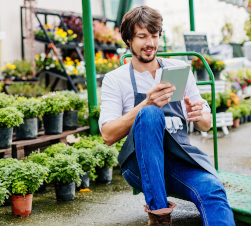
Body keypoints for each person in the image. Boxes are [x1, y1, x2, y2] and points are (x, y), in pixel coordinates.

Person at [99, 5, 235, 226]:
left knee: (213, 190)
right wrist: (146, 104)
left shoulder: (179, 69)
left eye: (154, 35)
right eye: (142, 36)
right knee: (151, 114)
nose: (150, 43)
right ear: (128, 40)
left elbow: (206, 125)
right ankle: (160, 217)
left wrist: (199, 115)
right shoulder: (116, 79)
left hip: (179, 160)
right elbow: (107, 135)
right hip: (140, 164)